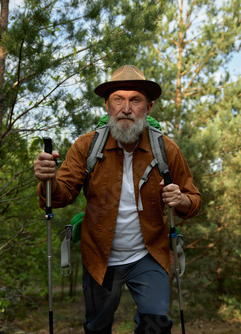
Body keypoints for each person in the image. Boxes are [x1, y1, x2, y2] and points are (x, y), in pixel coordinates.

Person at [34, 65, 201, 334]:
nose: (126, 108)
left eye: (135, 99)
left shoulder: (166, 150)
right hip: (100, 256)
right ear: (107, 106)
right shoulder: (87, 147)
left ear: (149, 108)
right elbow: (61, 195)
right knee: (97, 328)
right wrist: (48, 179)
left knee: (156, 326)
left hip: (149, 256)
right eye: (118, 99)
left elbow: (193, 200)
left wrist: (180, 200)